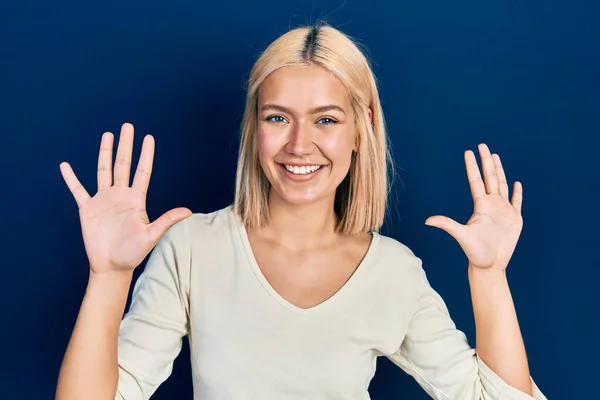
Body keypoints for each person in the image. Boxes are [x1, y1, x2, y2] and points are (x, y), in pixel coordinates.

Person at [55, 24, 547, 400]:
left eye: (326, 120)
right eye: (277, 118)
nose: (299, 145)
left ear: (362, 130)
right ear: (255, 128)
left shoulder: (393, 272)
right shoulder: (192, 248)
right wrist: (110, 275)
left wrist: (489, 274)